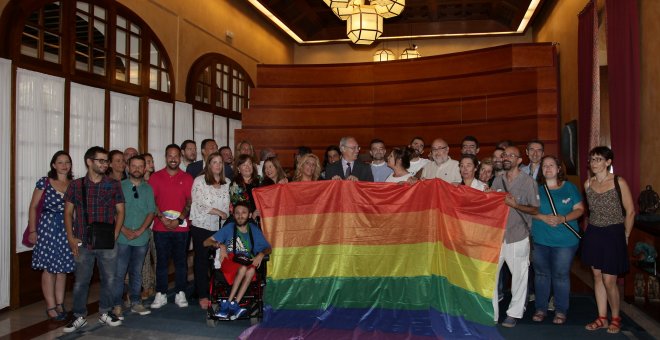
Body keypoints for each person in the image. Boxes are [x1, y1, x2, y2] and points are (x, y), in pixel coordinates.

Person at [63, 146, 125, 332]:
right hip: (82, 240)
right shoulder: (76, 185)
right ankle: (78, 315)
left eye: (106, 161)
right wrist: (70, 237)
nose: (105, 164)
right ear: (89, 162)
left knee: (110, 278)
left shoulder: (113, 184)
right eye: (101, 160)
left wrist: (115, 233)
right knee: (81, 280)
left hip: (107, 240)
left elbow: (121, 211)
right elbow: (68, 213)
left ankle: (105, 311)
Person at [582, 146, 635, 334]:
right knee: (597, 277)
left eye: (598, 159)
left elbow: (630, 212)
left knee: (609, 280)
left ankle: (616, 317)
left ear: (608, 162)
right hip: (594, 233)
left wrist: (626, 235)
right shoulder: (588, 184)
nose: (594, 163)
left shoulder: (618, 182)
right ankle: (602, 318)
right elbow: (591, 212)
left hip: (614, 233)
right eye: (592, 159)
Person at [530, 156, 584, 325]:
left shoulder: (570, 188)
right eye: (544, 166)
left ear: (559, 168)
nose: (548, 168)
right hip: (540, 239)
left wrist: (563, 218)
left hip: (565, 241)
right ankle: (541, 308)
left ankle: (561, 310)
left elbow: (580, 210)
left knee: (561, 275)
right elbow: (528, 210)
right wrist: (543, 217)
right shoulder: (535, 189)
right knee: (541, 274)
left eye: (551, 165)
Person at [490, 145, 539, 328]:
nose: (507, 157)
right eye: (504, 155)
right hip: (497, 237)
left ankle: (513, 313)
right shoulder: (497, 180)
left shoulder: (528, 182)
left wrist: (516, 205)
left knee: (519, 278)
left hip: (518, 237)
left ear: (519, 160)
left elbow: (534, 209)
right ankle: (492, 313)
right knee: (491, 277)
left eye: (512, 155)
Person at [203, 202, 271, 320]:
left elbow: (268, 248)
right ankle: (231, 303)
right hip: (230, 260)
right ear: (233, 215)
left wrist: (261, 254)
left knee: (250, 270)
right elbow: (206, 242)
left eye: (244, 213)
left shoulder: (254, 230)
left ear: (250, 215)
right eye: (237, 213)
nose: (240, 216)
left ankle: (232, 304)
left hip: (246, 261)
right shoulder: (229, 228)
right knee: (246, 269)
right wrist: (220, 245)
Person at [28, 151, 75, 321]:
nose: (64, 165)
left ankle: (60, 303)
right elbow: (33, 206)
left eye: (67, 162)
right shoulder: (45, 182)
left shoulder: (74, 184)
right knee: (49, 269)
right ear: (53, 165)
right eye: (60, 162)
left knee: (62, 268)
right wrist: (33, 231)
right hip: (48, 227)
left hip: (67, 228)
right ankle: (50, 305)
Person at [149, 144, 194, 309]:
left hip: (181, 228)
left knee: (181, 261)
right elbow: (152, 201)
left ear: (180, 158)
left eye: (176, 156)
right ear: (165, 157)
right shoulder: (155, 177)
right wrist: (162, 218)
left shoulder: (187, 178)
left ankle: (180, 292)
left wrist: (179, 219)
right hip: (160, 228)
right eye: (170, 156)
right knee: (161, 261)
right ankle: (160, 293)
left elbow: (190, 201)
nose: (173, 159)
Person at [113, 155, 156, 318]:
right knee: (119, 272)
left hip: (141, 238)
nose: (137, 169)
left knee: (136, 272)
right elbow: (114, 212)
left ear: (144, 169)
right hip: (122, 238)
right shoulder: (119, 186)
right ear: (128, 168)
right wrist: (123, 230)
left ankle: (136, 301)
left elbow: (151, 212)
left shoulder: (148, 188)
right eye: (134, 166)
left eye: (140, 166)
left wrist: (140, 230)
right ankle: (117, 304)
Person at [190, 152, 230, 310]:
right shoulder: (199, 181)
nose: (218, 165)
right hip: (201, 226)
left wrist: (226, 215)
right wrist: (217, 211)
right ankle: (203, 295)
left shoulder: (227, 182)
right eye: (214, 162)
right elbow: (198, 204)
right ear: (208, 164)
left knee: (219, 260)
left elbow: (228, 205)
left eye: (220, 162)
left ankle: (219, 291)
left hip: (220, 228)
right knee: (202, 261)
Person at [140, 152, 157, 300]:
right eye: (147, 162)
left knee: (158, 257)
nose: (150, 164)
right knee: (144, 259)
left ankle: (156, 285)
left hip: (156, 224)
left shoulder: (156, 180)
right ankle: (146, 286)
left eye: (151, 161)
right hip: (143, 226)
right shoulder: (137, 183)